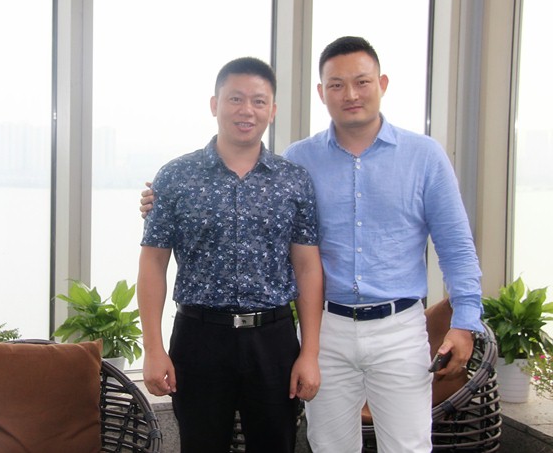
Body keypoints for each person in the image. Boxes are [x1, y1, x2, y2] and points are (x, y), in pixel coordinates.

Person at [140, 37, 484, 453]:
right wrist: (158, 200)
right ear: (322, 93)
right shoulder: (297, 161)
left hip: (395, 328)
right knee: (328, 445)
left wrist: (465, 321)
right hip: (321, 328)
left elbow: (456, 247)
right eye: (336, 85)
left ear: (382, 84)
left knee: (408, 446)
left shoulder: (420, 157)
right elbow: (171, 250)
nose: (350, 94)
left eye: (361, 82)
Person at [138, 56, 323, 453]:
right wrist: (153, 349)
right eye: (235, 99)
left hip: (273, 340)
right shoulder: (176, 177)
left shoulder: (293, 181)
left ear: (272, 110)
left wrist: (309, 352)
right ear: (214, 104)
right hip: (199, 339)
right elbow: (153, 263)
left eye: (259, 101)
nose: (246, 110)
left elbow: (307, 267)